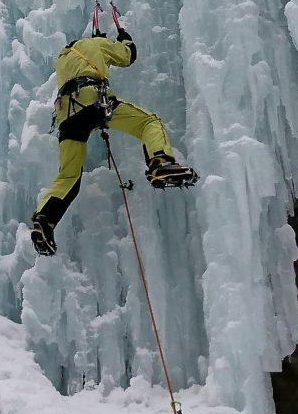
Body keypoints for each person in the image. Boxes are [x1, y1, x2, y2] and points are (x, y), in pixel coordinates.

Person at [30, 23, 197, 256]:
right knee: (149, 122)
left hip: (66, 116)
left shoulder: (62, 59)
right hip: (92, 100)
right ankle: (160, 162)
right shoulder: (94, 44)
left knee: (69, 176)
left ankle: (44, 220)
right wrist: (124, 38)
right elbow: (127, 56)